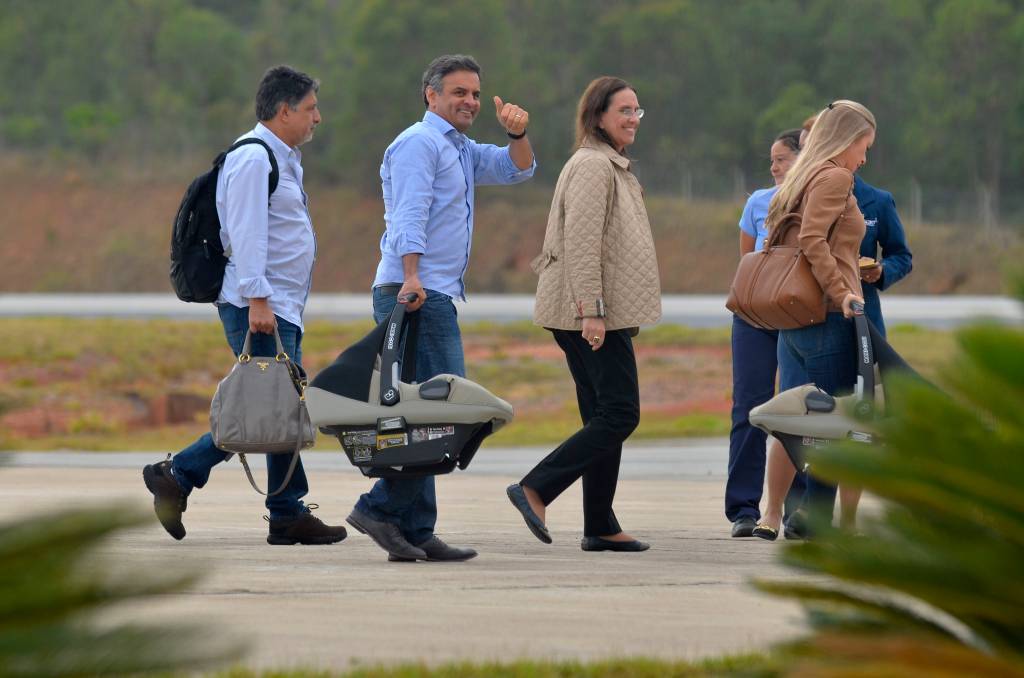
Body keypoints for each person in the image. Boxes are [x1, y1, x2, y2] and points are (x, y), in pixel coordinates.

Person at [143, 66, 347, 546]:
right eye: (311, 108)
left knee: (278, 406)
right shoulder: (255, 158)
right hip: (259, 305)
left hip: (277, 305)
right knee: (267, 407)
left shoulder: (282, 157)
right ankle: (180, 473)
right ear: (284, 111)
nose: (318, 117)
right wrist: (259, 298)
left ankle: (284, 511)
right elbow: (247, 233)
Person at [346, 54, 536, 562]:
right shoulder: (419, 143)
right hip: (416, 293)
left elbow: (516, 171)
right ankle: (380, 508)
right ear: (431, 96)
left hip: (433, 293)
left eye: (475, 93)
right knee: (450, 411)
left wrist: (517, 135)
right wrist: (411, 275)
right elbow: (408, 213)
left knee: (422, 415)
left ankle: (416, 528)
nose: (470, 101)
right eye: (459, 93)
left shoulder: (460, 148)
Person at [507, 76, 661, 552]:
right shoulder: (594, 166)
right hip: (591, 313)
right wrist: (591, 311)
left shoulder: (606, 163)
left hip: (592, 309)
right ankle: (536, 487)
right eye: (624, 110)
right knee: (620, 413)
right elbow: (582, 243)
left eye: (638, 110)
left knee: (601, 413)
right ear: (598, 116)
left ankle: (600, 523)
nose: (633, 118)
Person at [771, 100, 876, 533]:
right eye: (864, 146)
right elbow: (814, 239)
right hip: (829, 315)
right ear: (846, 140)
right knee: (832, 424)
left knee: (811, 421)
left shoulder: (803, 175)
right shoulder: (834, 176)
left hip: (797, 317)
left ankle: (804, 517)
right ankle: (812, 522)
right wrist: (844, 293)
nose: (864, 158)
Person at [725, 129, 806, 539]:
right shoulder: (757, 202)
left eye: (781, 158)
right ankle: (742, 507)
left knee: (802, 411)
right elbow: (748, 260)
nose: (773, 167)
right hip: (754, 316)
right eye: (771, 159)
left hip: (800, 316)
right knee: (750, 407)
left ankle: (798, 508)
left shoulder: (817, 198)